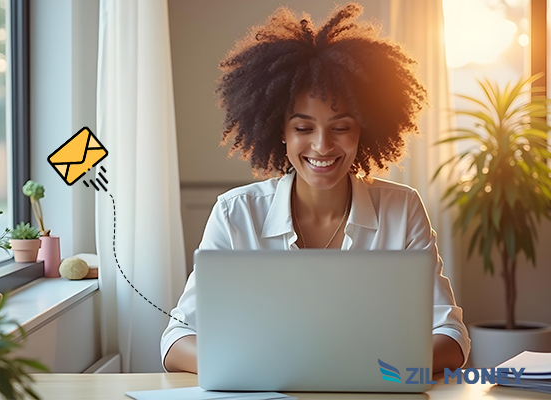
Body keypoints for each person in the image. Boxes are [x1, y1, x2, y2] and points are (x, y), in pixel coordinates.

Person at [161, 1, 470, 374]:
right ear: (281, 132)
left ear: (364, 130)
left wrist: (364, 368)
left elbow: (451, 337)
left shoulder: (402, 210)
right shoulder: (235, 214)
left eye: (340, 127)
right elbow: (177, 339)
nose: (322, 146)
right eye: (303, 128)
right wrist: (256, 365)